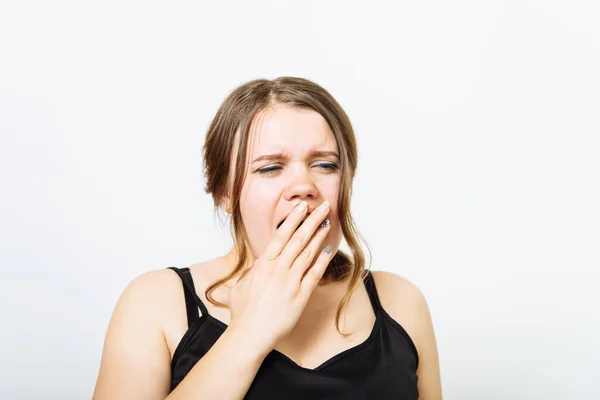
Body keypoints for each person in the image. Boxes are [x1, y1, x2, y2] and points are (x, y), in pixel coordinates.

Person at [93, 77, 442, 399]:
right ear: (224, 192)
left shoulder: (399, 301)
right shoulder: (156, 302)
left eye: (325, 165)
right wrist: (251, 330)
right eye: (270, 168)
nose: (304, 187)